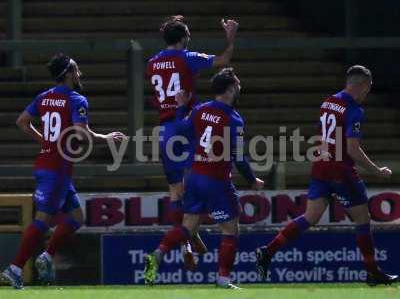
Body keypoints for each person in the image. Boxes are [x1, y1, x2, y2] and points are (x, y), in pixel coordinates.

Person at [255, 65, 399, 286]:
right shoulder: (354, 110)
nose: (367, 94)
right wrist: (376, 170)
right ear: (362, 85)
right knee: (363, 219)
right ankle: (373, 272)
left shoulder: (328, 102)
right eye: (368, 89)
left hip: (321, 166)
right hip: (341, 170)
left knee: (310, 217)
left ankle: (268, 251)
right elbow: (352, 149)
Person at [1, 53, 125, 289]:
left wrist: (45, 141)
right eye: (76, 70)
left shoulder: (44, 97)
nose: (79, 74)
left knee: (77, 217)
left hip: (51, 167)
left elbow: (21, 121)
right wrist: (106, 138)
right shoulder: (77, 100)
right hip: (56, 169)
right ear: (68, 73)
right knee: (43, 219)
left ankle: (46, 256)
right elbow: (81, 134)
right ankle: (15, 268)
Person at [143, 68, 264, 288]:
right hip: (217, 181)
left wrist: (181, 108)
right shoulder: (233, 119)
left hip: (195, 178)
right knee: (231, 229)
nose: (239, 88)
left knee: (187, 228)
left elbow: (180, 130)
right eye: (237, 84)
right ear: (229, 89)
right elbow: (238, 157)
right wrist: (252, 179)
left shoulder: (200, 110)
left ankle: (157, 254)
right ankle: (223, 279)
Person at [146, 15, 239, 269]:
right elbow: (222, 61)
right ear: (184, 38)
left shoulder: (152, 62)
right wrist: (230, 37)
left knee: (176, 192)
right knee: (201, 180)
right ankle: (190, 236)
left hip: (165, 131)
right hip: (187, 127)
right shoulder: (186, 57)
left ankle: (187, 241)